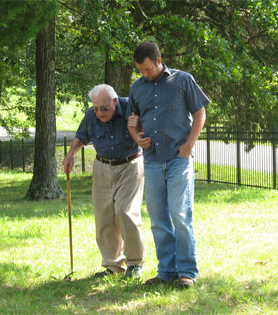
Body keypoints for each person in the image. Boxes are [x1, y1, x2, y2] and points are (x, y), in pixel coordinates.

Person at [127, 41, 210, 288]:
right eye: (141, 71)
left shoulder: (183, 80)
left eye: (148, 70)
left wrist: (190, 145)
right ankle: (166, 272)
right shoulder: (137, 88)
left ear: (159, 61)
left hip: (178, 160)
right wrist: (137, 138)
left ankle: (187, 272)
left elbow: (200, 112)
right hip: (151, 161)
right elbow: (133, 122)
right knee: (159, 219)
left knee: (180, 214)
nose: (145, 74)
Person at [63, 84, 145, 279]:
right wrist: (71, 153)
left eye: (104, 108)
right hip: (103, 167)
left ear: (114, 102)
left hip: (130, 164)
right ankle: (113, 266)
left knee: (125, 212)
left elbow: (146, 129)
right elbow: (81, 136)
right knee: (104, 216)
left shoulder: (130, 108)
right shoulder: (91, 115)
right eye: (96, 108)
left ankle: (135, 263)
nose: (99, 113)